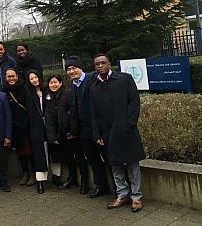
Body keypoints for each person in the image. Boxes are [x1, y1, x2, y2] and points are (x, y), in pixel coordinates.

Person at [90, 54, 145, 213]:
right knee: (115, 166)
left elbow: (134, 103)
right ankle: (122, 195)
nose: (100, 66)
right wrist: (97, 134)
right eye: (97, 64)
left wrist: (129, 124)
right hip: (107, 134)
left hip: (126, 131)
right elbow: (93, 114)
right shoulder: (93, 87)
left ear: (109, 64)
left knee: (133, 165)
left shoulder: (124, 79)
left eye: (103, 63)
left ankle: (136, 197)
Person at [65, 56, 109, 198]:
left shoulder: (93, 78)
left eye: (74, 68)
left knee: (108, 158)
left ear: (80, 67)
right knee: (92, 159)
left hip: (98, 128)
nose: (72, 71)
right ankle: (101, 185)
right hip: (83, 130)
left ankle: (119, 188)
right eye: (68, 69)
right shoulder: (72, 85)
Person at [45, 74, 89, 193]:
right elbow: (49, 117)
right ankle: (72, 179)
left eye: (55, 82)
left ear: (60, 83)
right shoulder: (49, 97)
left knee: (79, 157)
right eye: (51, 83)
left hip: (72, 132)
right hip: (61, 133)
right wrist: (52, 135)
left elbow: (73, 112)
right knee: (69, 157)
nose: (53, 85)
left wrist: (73, 131)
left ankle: (85, 181)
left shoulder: (68, 93)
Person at [3, 68, 35, 186]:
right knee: (20, 151)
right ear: (5, 78)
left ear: (17, 76)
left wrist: (25, 123)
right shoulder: (4, 91)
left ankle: (33, 173)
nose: (11, 79)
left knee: (30, 151)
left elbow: (30, 106)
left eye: (13, 76)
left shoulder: (25, 88)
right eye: (8, 77)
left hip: (27, 124)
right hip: (14, 125)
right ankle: (25, 173)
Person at [25, 70, 49, 194]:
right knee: (39, 153)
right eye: (31, 79)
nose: (34, 80)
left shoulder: (47, 90)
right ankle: (40, 181)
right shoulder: (29, 95)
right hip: (36, 127)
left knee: (53, 150)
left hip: (50, 126)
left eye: (35, 77)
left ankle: (56, 176)